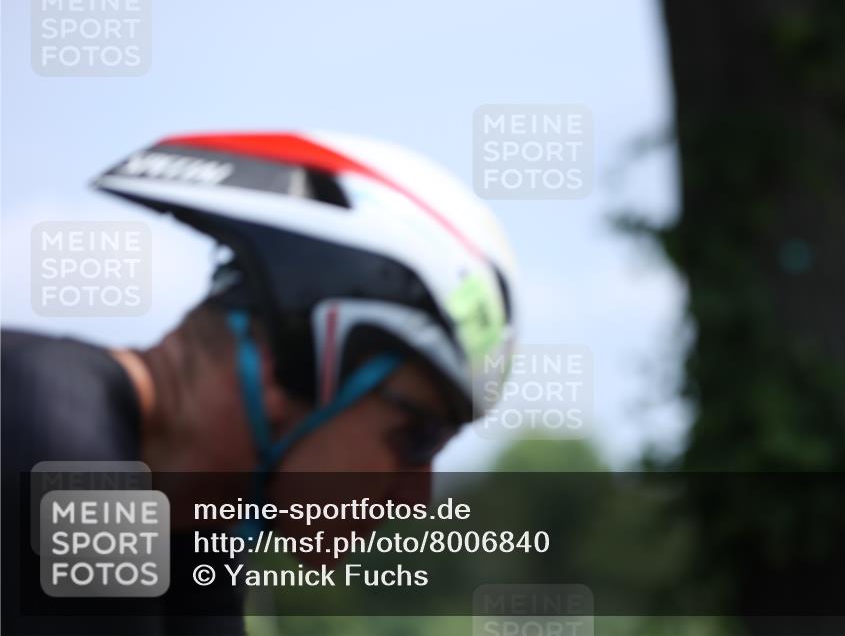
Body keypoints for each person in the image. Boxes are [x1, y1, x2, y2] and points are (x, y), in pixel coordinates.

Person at [2, 131, 518, 635]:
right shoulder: (57, 435)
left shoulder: (194, 535)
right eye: (418, 436)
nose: (418, 498)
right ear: (288, 366)